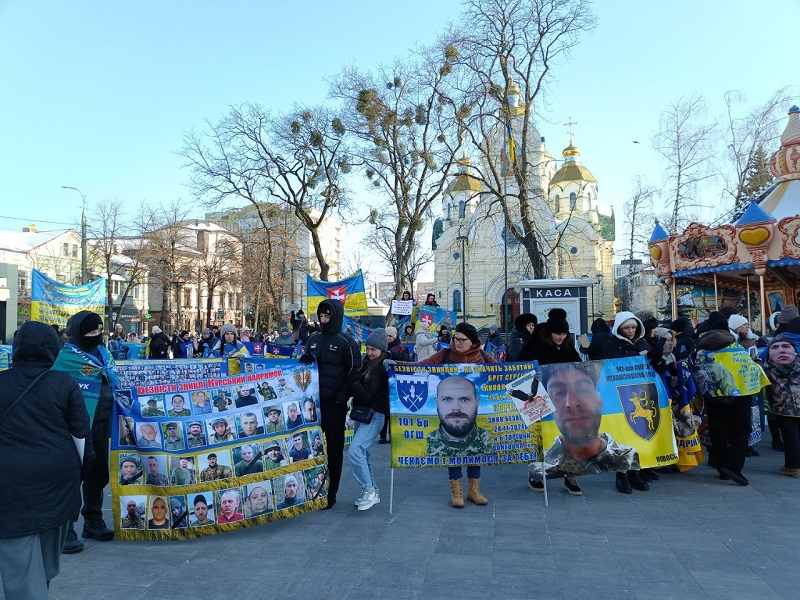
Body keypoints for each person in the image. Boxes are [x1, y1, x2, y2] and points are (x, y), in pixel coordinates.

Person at [0, 321, 94, 594]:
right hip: (58, 481)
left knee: (19, 560)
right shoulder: (65, 383)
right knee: (45, 559)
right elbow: (82, 438)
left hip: (9, 484)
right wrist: (78, 477)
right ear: (53, 348)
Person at [52, 311, 118, 550]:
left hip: (101, 424)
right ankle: (66, 528)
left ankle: (93, 520)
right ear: (79, 332)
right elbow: (56, 389)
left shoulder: (104, 354)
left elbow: (113, 380)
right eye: (91, 332)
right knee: (73, 475)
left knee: (98, 473)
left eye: (99, 330)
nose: (96, 335)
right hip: (75, 426)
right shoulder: (66, 358)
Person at [527, 362, 639, 491]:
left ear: (599, 400)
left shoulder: (628, 455)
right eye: (558, 393)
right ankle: (545, 478)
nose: (572, 403)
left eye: (583, 390)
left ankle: (571, 478)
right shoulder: (541, 462)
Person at [418, 322, 496, 508]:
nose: (457, 342)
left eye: (462, 339)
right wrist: (397, 365)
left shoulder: (483, 356)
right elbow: (420, 366)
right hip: (451, 412)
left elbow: (506, 372)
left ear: (473, 342)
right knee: (452, 448)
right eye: (455, 338)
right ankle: (456, 491)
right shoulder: (445, 354)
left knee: (476, 449)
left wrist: (531, 374)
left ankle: (474, 490)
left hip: (473, 412)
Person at [298, 298, 362, 509]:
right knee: (310, 447)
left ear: (336, 317)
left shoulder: (346, 342)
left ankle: (331, 492)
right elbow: (304, 367)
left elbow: (354, 372)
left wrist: (343, 395)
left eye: (327, 316)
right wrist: (305, 359)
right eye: (321, 316)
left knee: (334, 449)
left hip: (334, 403)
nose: (324, 320)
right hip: (312, 404)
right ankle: (311, 488)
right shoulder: (314, 338)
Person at [694, 317, 768, 486]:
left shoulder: (702, 347)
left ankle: (722, 465)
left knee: (718, 430)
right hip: (740, 393)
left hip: (713, 395)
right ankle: (734, 466)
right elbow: (750, 369)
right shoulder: (735, 346)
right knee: (741, 430)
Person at [602, 311, 665, 493]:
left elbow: (659, 368)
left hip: (643, 393)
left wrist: (655, 356)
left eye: (634, 328)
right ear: (619, 329)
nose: (631, 331)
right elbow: (610, 367)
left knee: (639, 435)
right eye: (627, 328)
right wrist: (635, 355)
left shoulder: (642, 343)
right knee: (623, 437)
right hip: (620, 397)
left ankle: (636, 473)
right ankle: (621, 476)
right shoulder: (611, 344)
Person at [347, 328, 390, 511]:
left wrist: (353, 382)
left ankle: (368, 489)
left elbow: (367, 395)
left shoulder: (379, 369)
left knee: (355, 451)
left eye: (374, 350)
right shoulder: (367, 363)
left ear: (382, 350)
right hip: (363, 414)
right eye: (368, 348)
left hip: (374, 415)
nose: (370, 352)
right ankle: (374, 491)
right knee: (362, 453)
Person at [761, 334, 800, 476]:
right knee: (790, 437)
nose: (781, 350)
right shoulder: (765, 370)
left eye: (786, 346)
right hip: (782, 409)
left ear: (794, 351)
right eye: (775, 347)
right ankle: (793, 466)